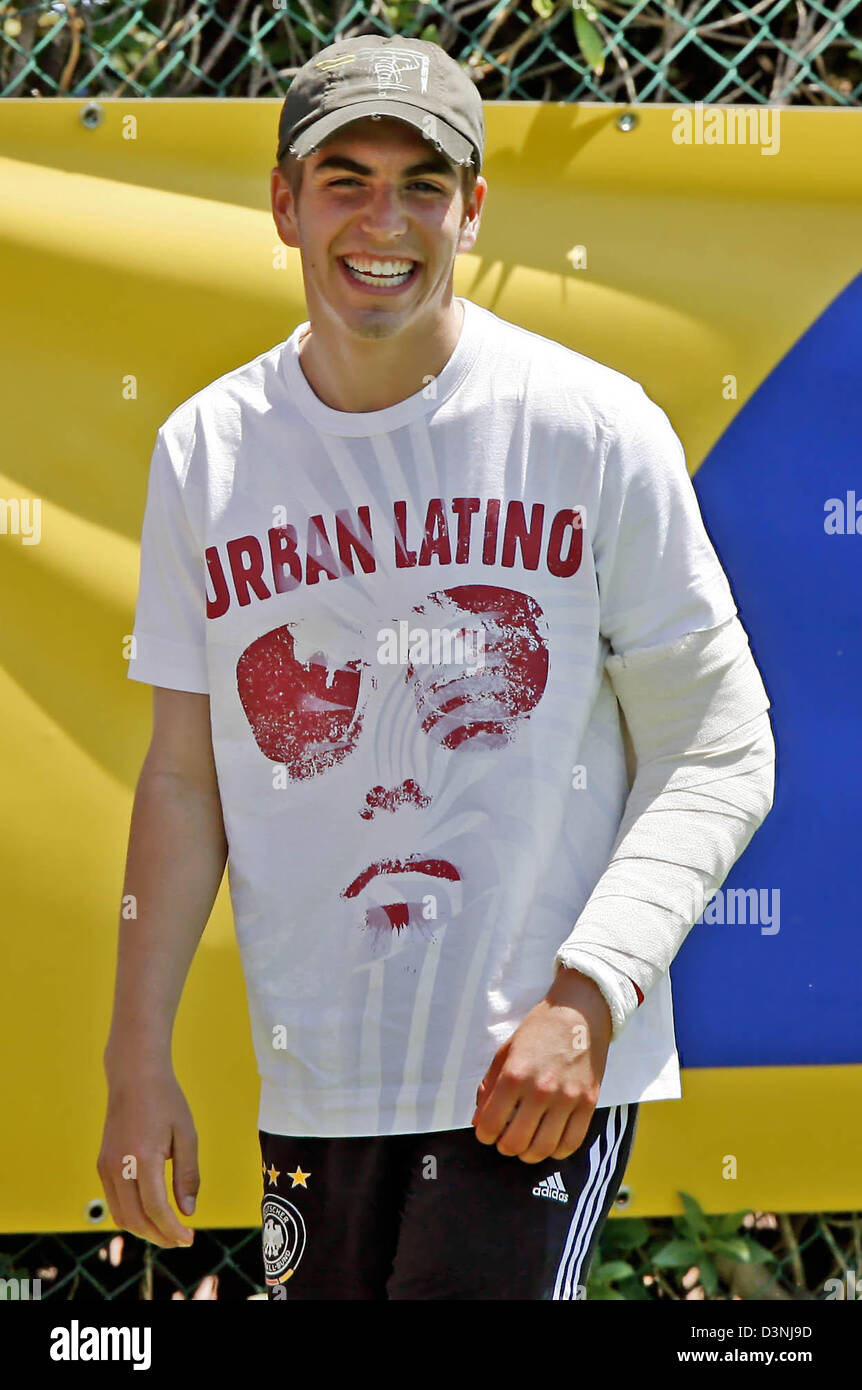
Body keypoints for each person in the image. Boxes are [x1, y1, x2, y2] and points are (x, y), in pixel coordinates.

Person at [98, 34, 776, 1301]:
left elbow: (722, 739)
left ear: (473, 206)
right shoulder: (205, 451)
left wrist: (591, 992)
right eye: (344, 178)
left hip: (523, 1079)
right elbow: (186, 779)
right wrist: (136, 1058)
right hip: (320, 1077)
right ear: (283, 204)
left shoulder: (589, 427)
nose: (383, 220)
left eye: (423, 183)